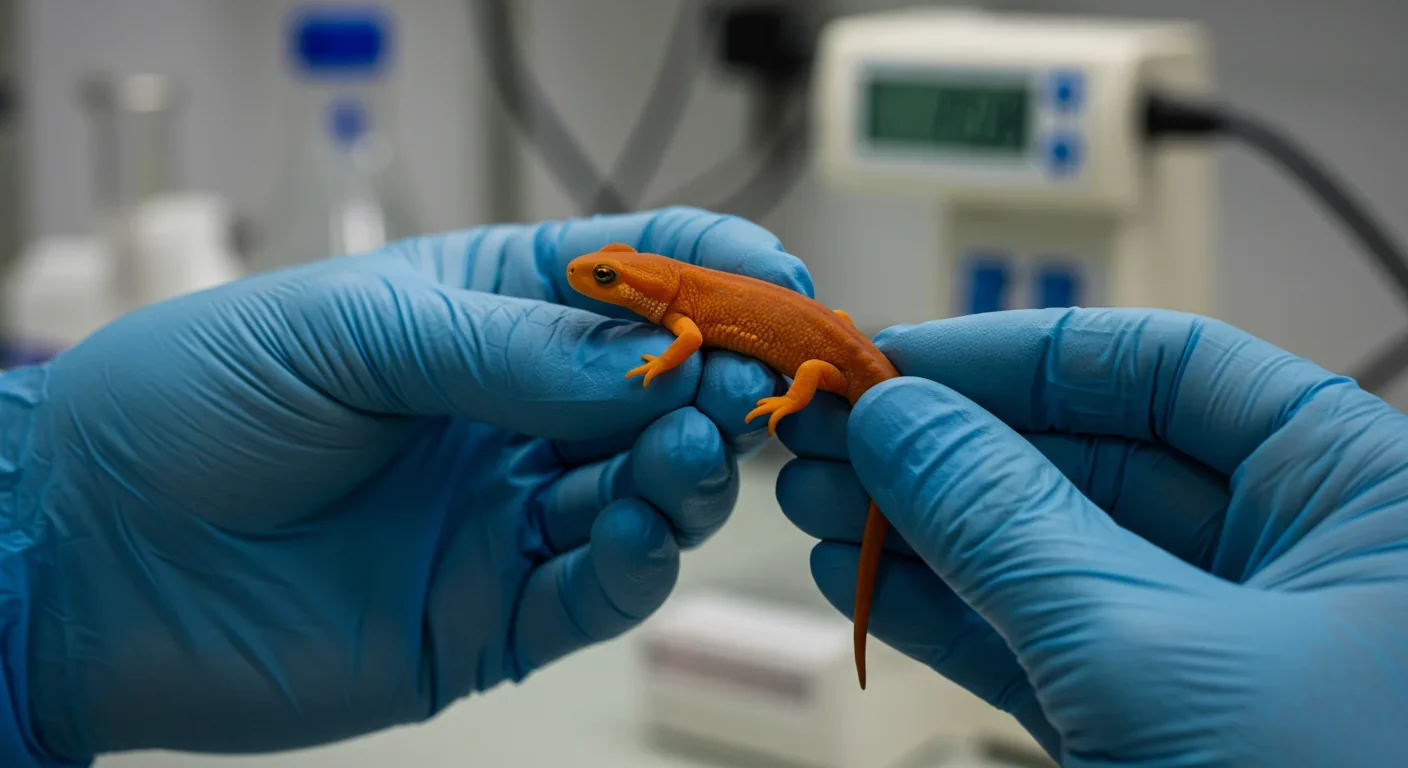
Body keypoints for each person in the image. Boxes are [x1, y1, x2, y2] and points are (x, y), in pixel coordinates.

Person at [0, 207, 1402, 767]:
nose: (601, 291)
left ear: (649, 284)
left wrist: (802, 398)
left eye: (609, 284)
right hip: (815, 357)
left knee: (810, 421)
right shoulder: (675, 300)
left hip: (843, 371)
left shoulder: (685, 314)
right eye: (604, 287)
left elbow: (714, 348)